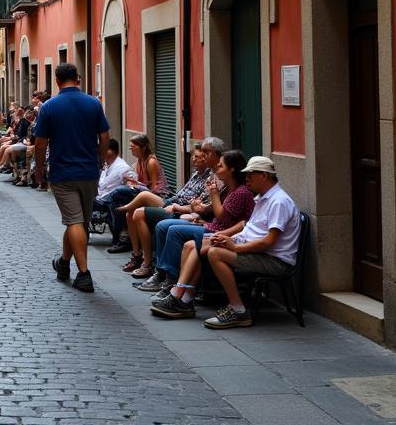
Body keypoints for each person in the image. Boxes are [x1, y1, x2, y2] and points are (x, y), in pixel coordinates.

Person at [33, 63, 110, 294]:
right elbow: (104, 137)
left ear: (56, 81)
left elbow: (40, 143)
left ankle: (84, 274)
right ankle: (64, 263)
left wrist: (39, 167)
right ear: (78, 79)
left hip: (63, 172)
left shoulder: (49, 107)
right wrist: (100, 161)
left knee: (74, 221)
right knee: (77, 222)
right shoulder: (94, 103)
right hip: (88, 172)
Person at [147, 150, 254, 313]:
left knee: (177, 232)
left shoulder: (241, 192)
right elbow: (217, 213)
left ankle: (174, 286)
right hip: (212, 227)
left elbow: (223, 217)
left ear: (232, 169)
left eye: (221, 165)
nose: (217, 167)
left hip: (221, 232)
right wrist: (200, 210)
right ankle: (180, 293)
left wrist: (213, 194)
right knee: (177, 234)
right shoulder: (228, 188)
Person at [201, 155, 302, 329]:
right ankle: (185, 294)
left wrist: (236, 247)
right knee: (208, 243)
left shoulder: (279, 201)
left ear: (264, 175)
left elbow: (269, 242)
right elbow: (250, 230)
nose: (246, 178)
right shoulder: (261, 198)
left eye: (250, 174)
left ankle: (238, 310)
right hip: (260, 253)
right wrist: (229, 239)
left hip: (275, 261)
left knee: (215, 253)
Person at [127, 138, 224, 279]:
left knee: (146, 214)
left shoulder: (215, 179)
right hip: (180, 207)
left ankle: (153, 268)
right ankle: (147, 263)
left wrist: (180, 207)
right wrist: (172, 204)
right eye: (195, 155)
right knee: (132, 213)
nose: (197, 158)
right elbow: (190, 199)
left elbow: (206, 208)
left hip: (189, 214)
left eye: (203, 153)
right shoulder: (199, 174)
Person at [103, 134, 169, 254]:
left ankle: (120, 233)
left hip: (156, 196)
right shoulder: (138, 163)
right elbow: (142, 183)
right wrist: (133, 183)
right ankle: (122, 233)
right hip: (143, 191)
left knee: (118, 192)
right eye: (130, 147)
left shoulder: (151, 162)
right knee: (118, 194)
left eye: (134, 147)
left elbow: (155, 188)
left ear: (142, 147)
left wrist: (137, 185)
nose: (131, 149)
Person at [90, 138, 133, 238]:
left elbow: (131, 185)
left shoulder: (122, 167)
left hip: (108, 200)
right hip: (100, 197)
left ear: (111, 151)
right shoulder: (107, 165)